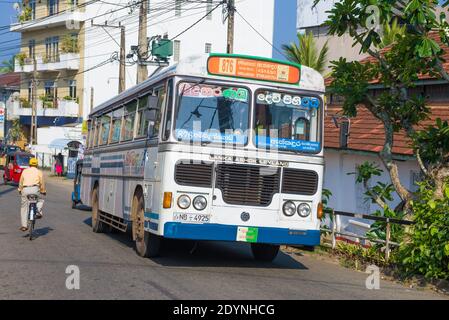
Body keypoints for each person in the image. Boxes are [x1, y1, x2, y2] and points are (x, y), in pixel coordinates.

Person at [18, 158, 46, 232]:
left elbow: (21, 182)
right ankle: (38, 211)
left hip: (25, 189)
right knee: (40, 200)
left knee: (24, 206)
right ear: (36, 164)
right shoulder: (39, 172)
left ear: (29, 164)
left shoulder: (25, 171)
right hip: (35, 189)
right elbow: (42, 183)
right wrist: (43, 191)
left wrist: (20, 189)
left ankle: (24, 225)